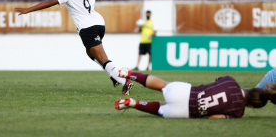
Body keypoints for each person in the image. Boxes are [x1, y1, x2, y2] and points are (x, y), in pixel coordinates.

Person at [14, 0, 133, 95]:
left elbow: (49, 2)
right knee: (90, 53)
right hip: (99, 24)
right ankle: (113, 75)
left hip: (87, 28)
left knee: (102, 58)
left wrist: (28, 9)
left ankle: (123, 80)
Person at [114, 68, 276, 119]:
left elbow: (215, 83)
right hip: (188, 112)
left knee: (163, 85)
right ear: (250, 106)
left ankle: (130, 74)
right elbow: (214, 118)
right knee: (160, 109)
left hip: (186, 93)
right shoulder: (238, 113)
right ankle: (135, 104)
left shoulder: (230, 81)